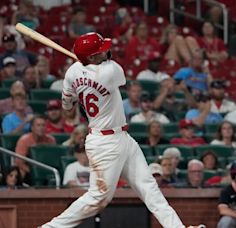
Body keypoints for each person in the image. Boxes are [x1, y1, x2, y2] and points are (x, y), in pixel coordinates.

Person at [41, 32, 201, 228]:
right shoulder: (110, 71)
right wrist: (87, 68)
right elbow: (108, 62)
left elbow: (67, 106)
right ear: (91, 57)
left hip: (122, 137)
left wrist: (80, 74)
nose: (106, 51)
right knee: (98, 198)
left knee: (149, 188)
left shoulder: (72, 73)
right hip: (104, 143)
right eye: (99, 51)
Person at [0, 81, 32, 171]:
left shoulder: (28, 110)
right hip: (14, 142)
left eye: (23, 99)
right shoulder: (7, 114)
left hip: (29, 143)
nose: (20, 102)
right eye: (18, 99)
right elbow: (8, 136)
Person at [15, 115, 56, 182]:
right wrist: (34, 172)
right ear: (32, 128)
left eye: (43, 125)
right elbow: (19, 162)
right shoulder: (24, 140)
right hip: (29, 170)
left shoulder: (51, 140)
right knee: (21, 171)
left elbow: (53, 159)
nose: (41, 128)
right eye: (38, 125)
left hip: (46, 169)